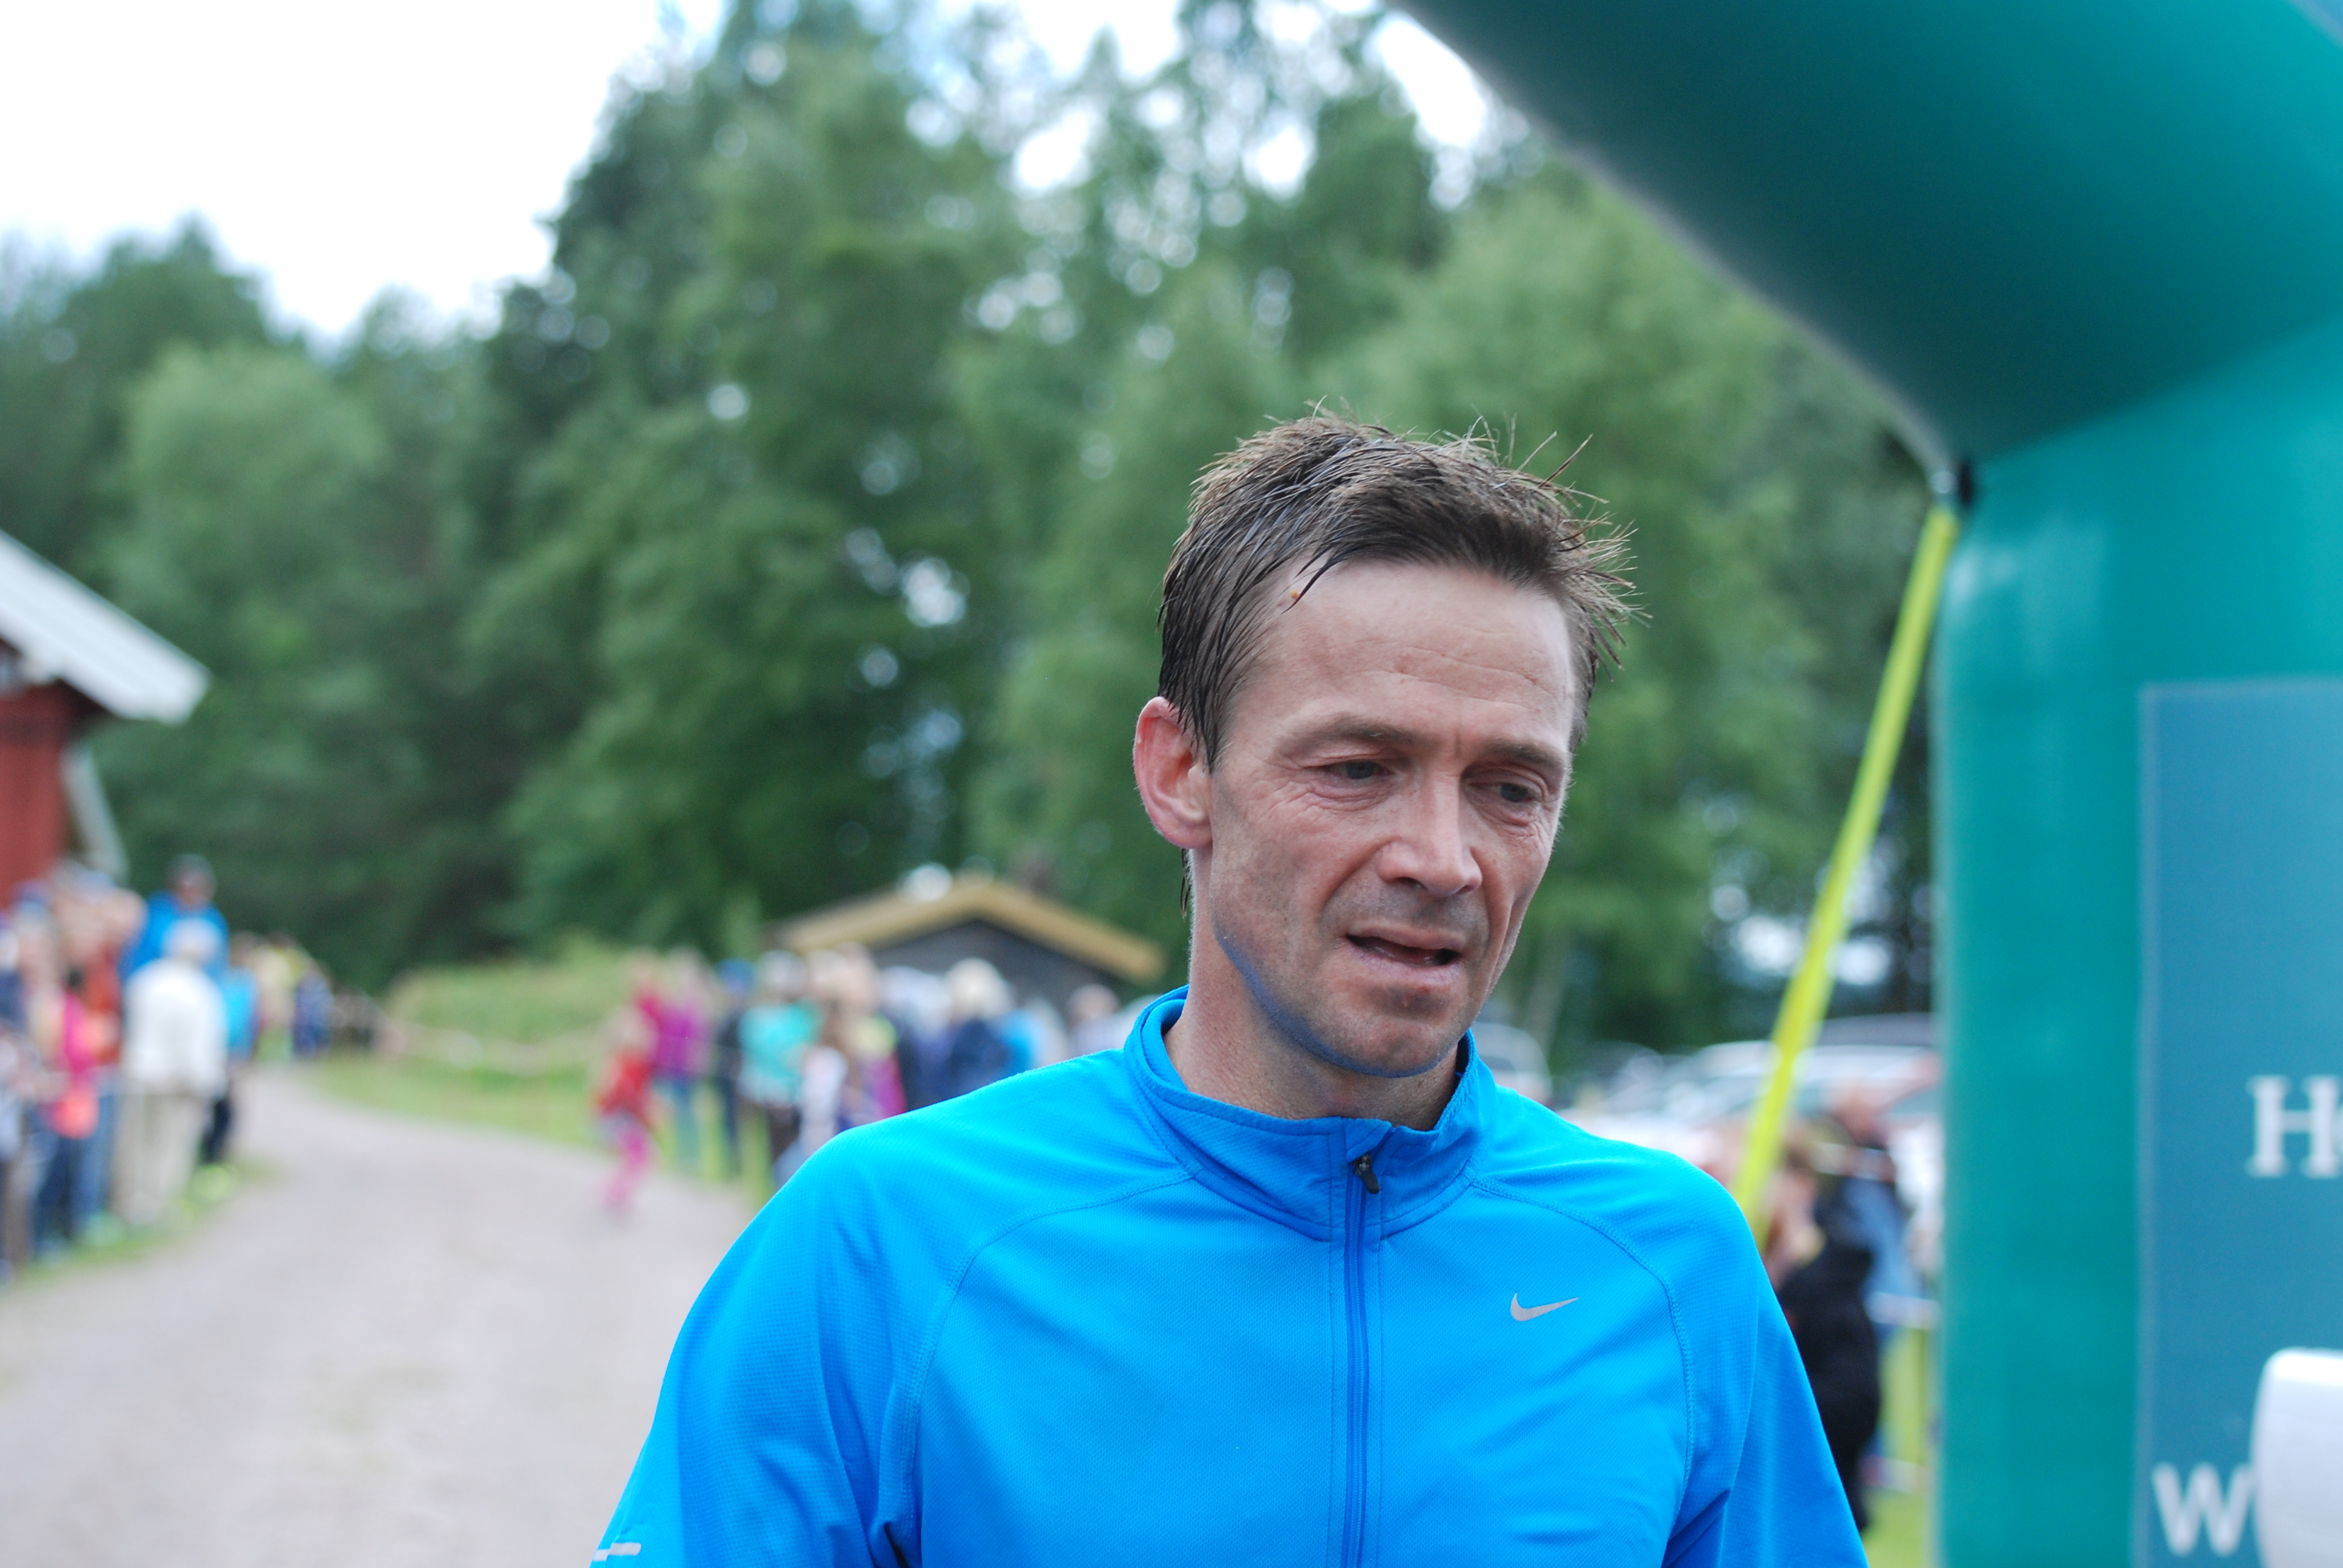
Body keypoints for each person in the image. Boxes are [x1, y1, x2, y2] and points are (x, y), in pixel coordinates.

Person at [598, 419, 1863, 1564]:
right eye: (1359, 767)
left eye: (1510, 788)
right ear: (1180, 772)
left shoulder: (1670, 1267)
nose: (1442, 858)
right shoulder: (884, 1241)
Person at [1767, 1140, 1883, 1532]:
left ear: (1799, 1187)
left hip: (1813, 1517)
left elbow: (1855, 1405)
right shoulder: (1745, 1282)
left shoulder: (1830, 1286)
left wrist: (1765, 1390)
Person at [115, 923, 228, 1227]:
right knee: (169, 1145)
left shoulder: (145, 980)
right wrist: (205, 1083)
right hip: (177, 1080)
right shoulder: (201, 991)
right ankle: (158, 1205)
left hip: (138, 1073)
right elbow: (200, 1044)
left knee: (135, 1143)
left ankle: (130, 1202)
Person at [595, 1011, 658, 1217]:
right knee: (641, 1156)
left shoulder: (637, 1066)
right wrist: (645, 1111)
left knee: (639, 1157)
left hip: (625, 1119)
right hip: (617, 1120)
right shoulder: (621, 1065)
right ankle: (614, 1192)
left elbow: (640, 1095)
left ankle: (616, 1192)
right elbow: (621, 1096)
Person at [707, 959, 753, 1180]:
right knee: (727, 1120)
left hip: (736, 1075)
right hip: (725, 1074)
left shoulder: (742, 1016)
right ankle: (732, 1161)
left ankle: (737, 1163)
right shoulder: (728, 1014)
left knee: (735, 1121)